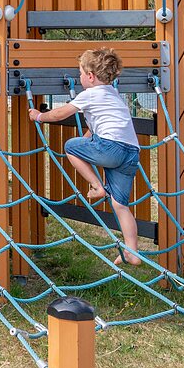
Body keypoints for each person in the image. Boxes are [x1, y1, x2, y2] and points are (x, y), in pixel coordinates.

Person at [28, 48, 143, 266]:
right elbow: (95, 127)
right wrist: (88, 140)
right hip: (131, 153)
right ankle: (132, 251)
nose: (79, 77)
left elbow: (61, 113)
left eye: (80, 73)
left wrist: (39, 116)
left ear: (90, 76)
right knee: (121, 205)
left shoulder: (90, 94)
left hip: (111, 148)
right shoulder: (113, 94)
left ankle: (97, 186)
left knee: (71, 146)